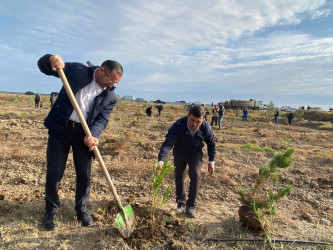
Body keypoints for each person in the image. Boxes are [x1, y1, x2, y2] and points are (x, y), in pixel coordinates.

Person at [37, 54, 123, 230]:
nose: (111, 85)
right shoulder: (77, 71)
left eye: (115, 83)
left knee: (84, 175)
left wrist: (93, 134)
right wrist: (50, 59)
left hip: (83, 136)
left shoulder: (110, 96)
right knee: (54, 173)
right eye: (111, 80)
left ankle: (81, 210)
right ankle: (51, 211)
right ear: (101, 71)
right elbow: (45, 67)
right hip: (60, 129)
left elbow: (102, 119)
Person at [157, 105, 216, 218]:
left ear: (203, 119)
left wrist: (211, 161)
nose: (194, 124)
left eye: (198, 121)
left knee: (196, 174)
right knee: (179, 176)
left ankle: (190, 206)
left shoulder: (205, 127)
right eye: (192, 120)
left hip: (195, 153)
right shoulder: (178, 126)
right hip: (180, 153)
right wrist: (161, 161)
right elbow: (167, 144)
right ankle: (181, 203)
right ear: (188, 115)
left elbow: (211, 144)